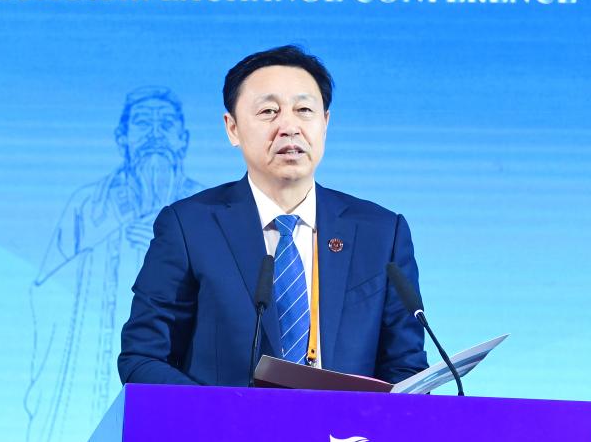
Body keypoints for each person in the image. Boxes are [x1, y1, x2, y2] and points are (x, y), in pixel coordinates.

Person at [118, 46, 427, 387]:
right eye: (268, 111)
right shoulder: (189, 227)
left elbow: (406, 368)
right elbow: (142, 357)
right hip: (224, 423)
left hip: (349, 423)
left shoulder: (381, 233)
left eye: (304, 110)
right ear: (232, 128)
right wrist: (213, 412)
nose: (289, 127)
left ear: (325, 123)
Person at [24, 86, 202, 442]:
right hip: (90, 359)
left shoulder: (206, 209)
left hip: (183, 378)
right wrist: (112, 242)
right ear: (122, 137)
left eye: (165, 125)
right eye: (143, 124)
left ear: (183, 139)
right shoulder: (91, 204)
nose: (155, 135)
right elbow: (45, 290)